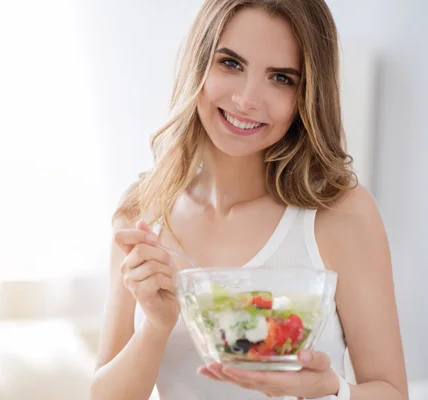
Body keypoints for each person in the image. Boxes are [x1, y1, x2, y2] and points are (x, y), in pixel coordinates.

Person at [90, 0, 408, 399]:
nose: (246, 99)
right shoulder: (142, 210)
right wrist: (156, 325)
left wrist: (331, 389)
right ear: (199, 62)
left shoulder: (339, 214)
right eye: (231, 64)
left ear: (306, 94)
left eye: (280, 78)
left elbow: (393, 392)